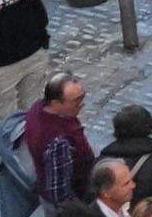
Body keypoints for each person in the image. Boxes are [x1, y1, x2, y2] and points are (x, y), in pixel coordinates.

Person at [15, 74, 99, 207]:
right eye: (76, 100)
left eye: (82, 97)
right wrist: (79, 210)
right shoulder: (58, 142)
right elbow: (59, 193)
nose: (81, 104)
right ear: (55, 103)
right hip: (76, 195)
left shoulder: (38, 107)